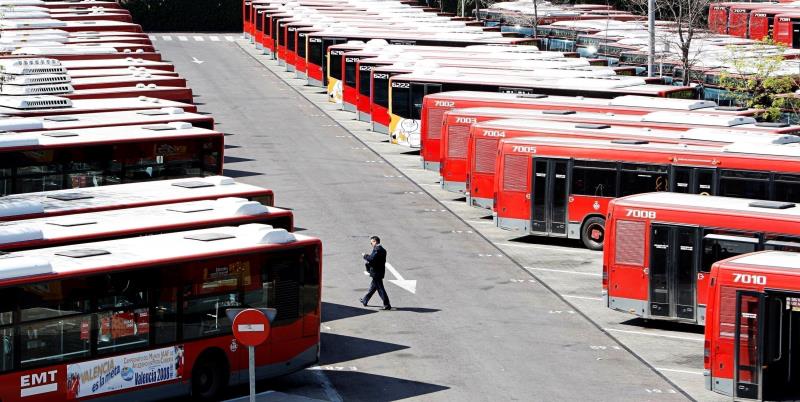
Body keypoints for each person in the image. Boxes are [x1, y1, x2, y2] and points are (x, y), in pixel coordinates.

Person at [360, 236, 391, 310]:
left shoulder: (377, 249)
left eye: (372, 242)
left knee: (380, 289)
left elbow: (371, 259)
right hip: (379, 271)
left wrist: (365, 256)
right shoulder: (383, 250)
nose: (371, 244)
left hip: (376, 272)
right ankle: (365, 300)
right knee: (373, 287)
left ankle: (387, 304)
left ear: (375, 241)